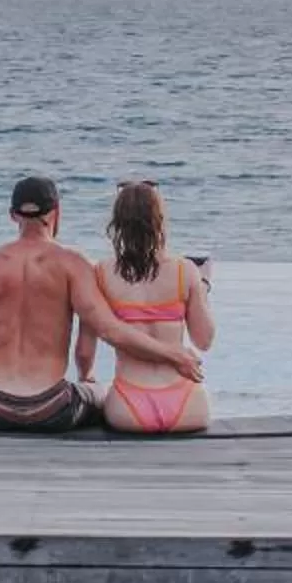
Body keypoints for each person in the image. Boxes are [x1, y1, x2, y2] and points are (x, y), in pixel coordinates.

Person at [0, 175, 201, 432]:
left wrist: (1, 330)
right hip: (50, 408)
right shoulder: (73, 264)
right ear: (55, 212)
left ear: (13, 215)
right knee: (98, 392)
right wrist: (172, 353)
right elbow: (110, 330)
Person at [77, 179, 214, 436]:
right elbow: (204, 340)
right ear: (160, 221)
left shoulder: (100, 274)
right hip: (189, 406)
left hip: (128, 407)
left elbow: (85, 352)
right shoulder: (185, 271)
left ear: (118, 223)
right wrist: (203, 286)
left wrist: (87, 378)